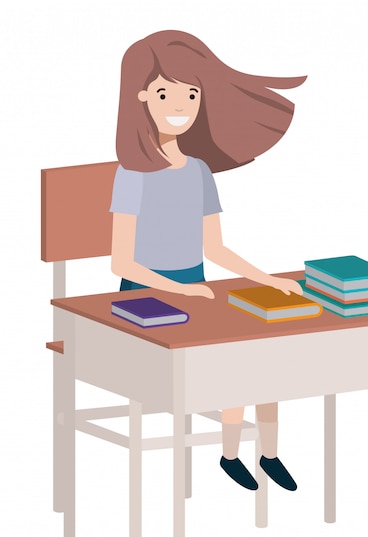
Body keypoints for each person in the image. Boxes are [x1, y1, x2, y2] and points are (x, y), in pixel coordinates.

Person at [109, 30, 306, 491]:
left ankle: (259, 454)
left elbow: (215, 249)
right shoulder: (132, 173)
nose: (180, 106)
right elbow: (121, 262)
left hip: (197, 292)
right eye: (165, 93)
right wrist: (179, 289)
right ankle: (233, 454)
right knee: (234, 363)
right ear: (142, 98)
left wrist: (269, 279)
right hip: (144, 300)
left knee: (263, 356)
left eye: (191, 95)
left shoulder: (198, 171)